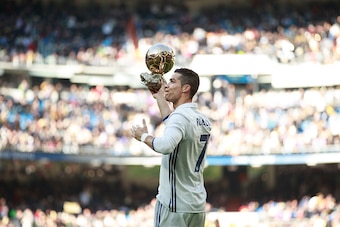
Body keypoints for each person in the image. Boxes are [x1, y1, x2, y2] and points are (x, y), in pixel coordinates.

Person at [130, 68, 212, 227]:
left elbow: (166, 145)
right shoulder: (202, 119)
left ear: (186, 88)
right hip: (197, 206)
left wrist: (143, 136)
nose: (167, 85)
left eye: (172, 81)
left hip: (174, 205)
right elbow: (174, 122)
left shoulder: (180, 118)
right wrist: (160, 97)